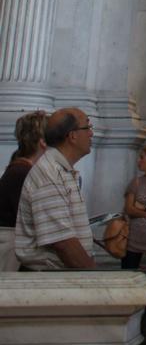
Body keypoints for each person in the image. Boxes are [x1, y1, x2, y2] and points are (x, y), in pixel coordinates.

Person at [15, 107, 95, 270]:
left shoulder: (62, 170)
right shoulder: (49, 174)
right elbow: (63, 243)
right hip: (50, 280)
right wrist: (95, 280)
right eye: (87, 127)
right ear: (72, 136)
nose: (91, 134)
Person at [0, 110, 47, 270]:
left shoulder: (24, 169)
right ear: (43, 142)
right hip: (13, 254)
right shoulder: (22, 172)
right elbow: (34, 221)